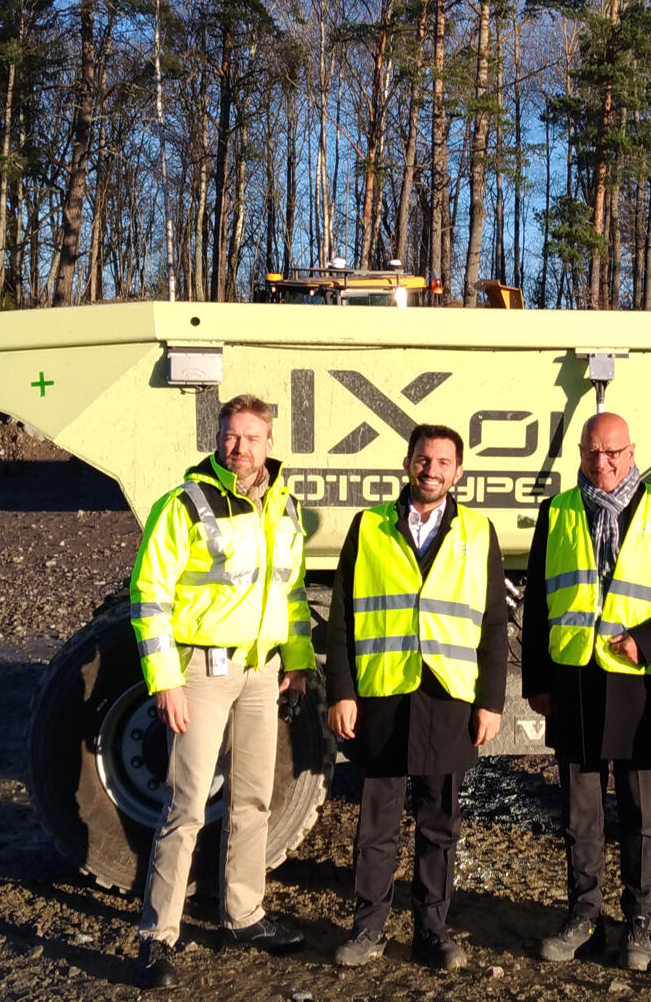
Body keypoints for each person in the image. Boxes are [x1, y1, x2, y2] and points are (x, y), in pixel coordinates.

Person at [126, 394, 314, 989]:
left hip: (261, 672)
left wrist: (298, 661)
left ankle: (244, 913)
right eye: (232, 436)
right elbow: (149, 596)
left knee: (254, 799)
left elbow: (292, 593)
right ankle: (157, 937)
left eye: (252, 438)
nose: (240, 448)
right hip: (202, 675)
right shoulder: (184, 505)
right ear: (217, 439)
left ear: (269, 443)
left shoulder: (285, 507)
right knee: (185, 807)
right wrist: (166, 681)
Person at [522, 412, 651, 971]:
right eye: (591, 452)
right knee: (580, 814)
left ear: (632, 452)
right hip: (575, 680)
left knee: (640, 813)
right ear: (580, 453)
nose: (601, 463)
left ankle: (638, 922)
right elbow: (539, 601)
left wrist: (647, 641)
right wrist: (537, 681)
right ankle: (584, 915)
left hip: (637, 683)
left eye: (612, 453)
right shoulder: (557, 512)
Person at [326, 423, 509, 971]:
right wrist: (342, 692)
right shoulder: (370, 526)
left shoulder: (478, 531)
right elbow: (342, 616)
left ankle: (432, 931)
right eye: (423, 460)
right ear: (408, 464)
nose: (432, 470)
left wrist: (491, 701)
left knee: (439, 825)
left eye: (443, 462)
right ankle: (368, 929)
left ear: (459, 472)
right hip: (384, 694)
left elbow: (493, 622)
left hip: (448, 696)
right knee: (376, 826)